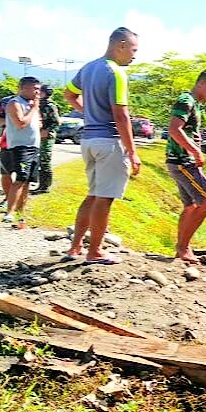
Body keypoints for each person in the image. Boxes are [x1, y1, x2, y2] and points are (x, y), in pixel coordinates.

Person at [64, 27, 141, 265]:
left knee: (93, 195)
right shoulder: (116, 73)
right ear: (120, 45)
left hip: (88, 139)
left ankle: (75, 246)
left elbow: (68, 94)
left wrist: (88, 112)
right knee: (105, 198)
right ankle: (95, 251)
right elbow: (121, 116)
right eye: (133, 49)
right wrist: (132, 151)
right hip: (109, 141)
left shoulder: (88, 68)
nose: (134, 56)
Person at [166, 69, 206, 263]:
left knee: (190, 206)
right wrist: (195, 151)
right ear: (201, 84)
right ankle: (183, 248)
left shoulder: (195, 104)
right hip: (182, 161)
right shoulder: (186, 101)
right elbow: (174, 129)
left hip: (183, 162)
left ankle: (182, 247)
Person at [3, 77, 42, 224]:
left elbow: (37, 124)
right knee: (20, 178)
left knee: (27, 181)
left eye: (39, 89)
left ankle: (21, 213)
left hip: (34, 146)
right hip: (21, 146)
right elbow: (20, 123)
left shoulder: (32, 104)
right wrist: (34, 109)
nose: (37, 92)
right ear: (22, 88)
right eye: (34, 89)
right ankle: (9, 212)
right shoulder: (15, 103)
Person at [33, 84, 61, 194]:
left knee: (45, 160)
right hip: (39, 135)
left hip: (47, 136)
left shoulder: (50, 105)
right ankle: (41, 184)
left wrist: (48, 131)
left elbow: (56, 122)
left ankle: (45, 186)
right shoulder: (39, 104)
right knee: (40, 160)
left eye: (41, 91)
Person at [0, 95, 13, 212]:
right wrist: (15, 119)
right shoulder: (6, 102)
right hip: (8, 143)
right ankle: (8, 198)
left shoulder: (36, 103)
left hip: (28, 144)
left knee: (24, 177)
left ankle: (19, 205)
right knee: (5, 173)